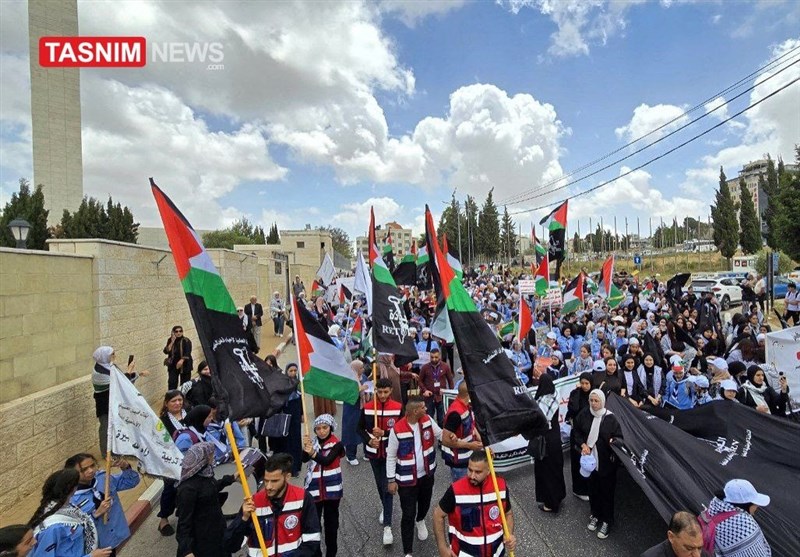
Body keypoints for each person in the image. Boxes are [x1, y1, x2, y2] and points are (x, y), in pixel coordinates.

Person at [225, 453, 321, 557]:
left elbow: (312, 540)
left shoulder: (303, 498)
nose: (268, 486)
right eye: (266, 481)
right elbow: (231, 546)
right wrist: (243, 519)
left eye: (274, 481)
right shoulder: (253, 502)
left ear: (287, 477)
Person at [386, 395, 444, 557]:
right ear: (414, 410)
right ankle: (408, 552)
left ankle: (421, 520)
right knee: (408, 513)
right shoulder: (397, 429)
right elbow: (391, 456)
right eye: (423, 408)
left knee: (425, 504)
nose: (426, 409)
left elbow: (440, 434)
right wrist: (391, 480)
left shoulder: (427, 420)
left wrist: (454, 438)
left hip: (427, 475)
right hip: (406, 481)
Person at [432, 451, 516, 557]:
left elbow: (508, 514)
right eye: (470, 470)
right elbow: (437, 515)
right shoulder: (456, 490)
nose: (472, 476)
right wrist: (442, 548)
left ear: (488, 470)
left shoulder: (500, 486)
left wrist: (509, 534)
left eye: (478, 472)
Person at [64, 453, 140, 556]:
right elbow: (72, 529)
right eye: (83, 470)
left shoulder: (103, 478)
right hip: (93, 548)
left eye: (92, 466)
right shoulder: (71, 498)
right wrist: (96, 514)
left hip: (111, 539)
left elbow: (131, 482)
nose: (90, 471)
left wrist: (125, 467)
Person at [573, 389, 623, 540]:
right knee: (593, 490)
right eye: (591, 400)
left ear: (603, 401)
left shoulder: (610, 419)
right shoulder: (584, 414)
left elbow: (619, 438)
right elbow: (576, 432)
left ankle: (607, 520)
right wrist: (582, 444)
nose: (594, 404)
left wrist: (612, 442)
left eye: (597, 401)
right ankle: (595, 514)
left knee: (607, 492)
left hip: (606, 464)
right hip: (590, 462)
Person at [27, 469, 112, 557]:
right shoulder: (53, 527)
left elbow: (81, 523)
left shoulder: (65, 506)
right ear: (73, 489)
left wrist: (96, 514)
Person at [360, 377, 402, 546]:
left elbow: (401, 430)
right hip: (373, 455)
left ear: (391, 391)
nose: (382, 395)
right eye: (379, 391)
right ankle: (385, 508)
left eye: (386, 392)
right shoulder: (369, 407)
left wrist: (384, 433)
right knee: (380, 485)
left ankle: (388, 527)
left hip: (391, 455)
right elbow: (359, 428)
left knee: (387, 488)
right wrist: (369, 440)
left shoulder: (398, 407)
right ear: (375, 390)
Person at [176, 443, 234, 557]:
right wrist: (187, 550)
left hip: (217, 532)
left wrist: (231, 479)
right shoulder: (188, 489)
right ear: (203, 458)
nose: (213, 457)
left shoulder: (205, 475)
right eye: (211, 454)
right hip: (202, 541)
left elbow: (212, 489)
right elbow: (184, 522)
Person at [92, 346, 146, 457]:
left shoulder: (109, 366)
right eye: (112, 354)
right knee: (106, 426)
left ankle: (115, 450)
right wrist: (130, 370)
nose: (114, 356)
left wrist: (137, 374)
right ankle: (105, 453)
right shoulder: (98, 372)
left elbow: (121, 379)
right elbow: (119, 382)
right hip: (104, 403)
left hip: (114, 401)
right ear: (104, 356)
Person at [302, 414, 344, 557]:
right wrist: (306, 447)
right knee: (314, 527)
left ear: (331, 427)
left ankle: (331, 554)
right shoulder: (312, 443)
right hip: (314, 492)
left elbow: (327, 460)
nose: (321, 431)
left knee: (331, 527)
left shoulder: (337, 444)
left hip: (332, 493)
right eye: (318, 428)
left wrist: (313, 452)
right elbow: (303, 459)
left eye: (325, 427)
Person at [703, 479, 772, 556]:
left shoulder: (713, 510)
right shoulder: (743, 525)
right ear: (746, 504)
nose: (757, 506)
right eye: (755, 503)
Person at [532, 374, 566, 513]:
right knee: (556, 469)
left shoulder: (542, 402)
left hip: (544, 440)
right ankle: (558, 496)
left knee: (546, 472)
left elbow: (538, 420)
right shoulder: (555, 395)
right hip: (555, 438)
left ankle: (550, 504)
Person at [157, 389, 186, 536]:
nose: (177, 403)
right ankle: (163, 519)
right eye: (174, 401)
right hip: (171, 461)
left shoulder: (190, 415)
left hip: (190, 460)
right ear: (166, 404)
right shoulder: (162, 422)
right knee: (170, 489)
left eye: (180, 400)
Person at [441, 381, 483, 482]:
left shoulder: (465, 406)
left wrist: (479, 437)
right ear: (469, 394)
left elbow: (471, 424)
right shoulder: (455, 414)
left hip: (467, 457)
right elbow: (445, 441)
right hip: (459, 462)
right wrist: (470, 445)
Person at [566, 372, 593, 501]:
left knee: (589, 462)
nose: (584, 386)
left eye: (587, 383)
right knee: (577, 462)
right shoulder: (575, 394)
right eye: (582, 383)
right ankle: (578, 489)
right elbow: (573, 409)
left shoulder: (594, 395)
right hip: (577, 433)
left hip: (590, 434)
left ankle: (589, 488)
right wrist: (577, 391)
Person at [640, 511, 709, 557]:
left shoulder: (704, 555)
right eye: (689, 548)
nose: (697, 555)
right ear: (671, 537)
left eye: (700, 548)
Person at [418, 348, 454, 426]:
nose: (434, 359)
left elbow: (450, 381)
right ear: (429, 357)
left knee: (441, 419)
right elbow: (420, 381)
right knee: (428, 418)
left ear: (440, 356)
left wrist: (450, 394)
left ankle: (441, 437)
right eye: (432, 357)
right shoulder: (425, 367)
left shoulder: (445, 366)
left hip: (441, 396)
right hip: (429, 397)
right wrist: (424, 390)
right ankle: (429, 435)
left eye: (436, 357)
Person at [164, 325, 193, 390]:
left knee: (184, 384)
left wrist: (182, 360)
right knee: (172, 382)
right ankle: (172, 397)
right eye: (176, 331)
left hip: (185, 365)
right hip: (173, 365)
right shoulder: (170, 340)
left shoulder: (186, 340)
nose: (178, 333)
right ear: (173, 332)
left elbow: (188, 352)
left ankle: (184, 398)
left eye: (180, 331)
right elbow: (166, 351)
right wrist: (172, 341)